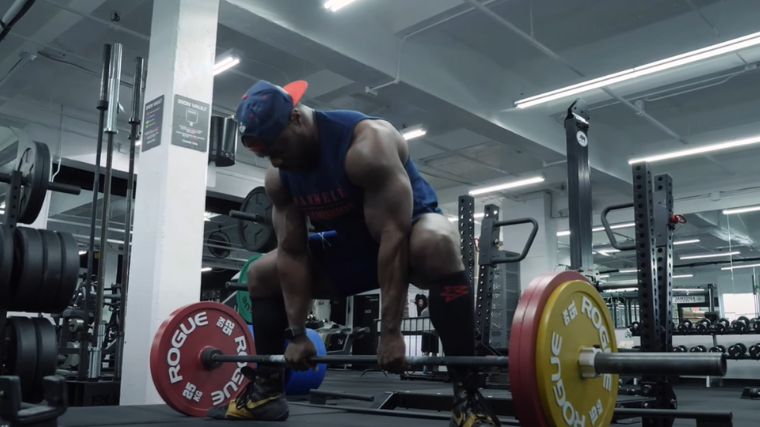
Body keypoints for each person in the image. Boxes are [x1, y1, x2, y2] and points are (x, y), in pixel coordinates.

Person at [209, 80, 499, 427]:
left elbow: (393, 237)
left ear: (296, 118)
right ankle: (267, 391)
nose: (277, 159)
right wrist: (299, 334)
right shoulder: (280, 177)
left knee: (438, 240)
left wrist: (390, 333)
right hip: (352, 248)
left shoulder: (366, 146)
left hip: (409, 238)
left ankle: (467, 396)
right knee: (261, 272)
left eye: (278, 146)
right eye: (267, 154)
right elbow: (292, 252)